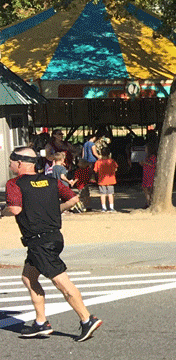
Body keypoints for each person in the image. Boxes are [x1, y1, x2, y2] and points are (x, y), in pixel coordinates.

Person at [4, 147, 102, 341]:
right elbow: (73, 199)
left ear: (20, 163)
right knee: (29, 277)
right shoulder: (51, 181)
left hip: (40, 241)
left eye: (11, 162)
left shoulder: (14, 183)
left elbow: (14, 209)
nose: (10, 165)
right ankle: (41, 323)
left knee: (61, 282)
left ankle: (87, 318)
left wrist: (2, 211)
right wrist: (55, 210)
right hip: (52, 237)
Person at [94, 144, 119, 213]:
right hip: (111, 180)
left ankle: (103, 208)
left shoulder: (98, 162)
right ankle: (111, 207)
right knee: (110, 194)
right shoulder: (112, 161)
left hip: (101, 180)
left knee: (102, 194)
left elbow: (95, 171)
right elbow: (116, 169)